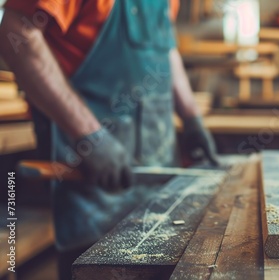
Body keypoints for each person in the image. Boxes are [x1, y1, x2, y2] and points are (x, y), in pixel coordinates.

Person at [0, 0, 218, 278]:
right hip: (91, 183)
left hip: (158, 189)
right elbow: (16, 31)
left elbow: (165, 49)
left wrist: (191, 118)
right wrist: (91, 136)